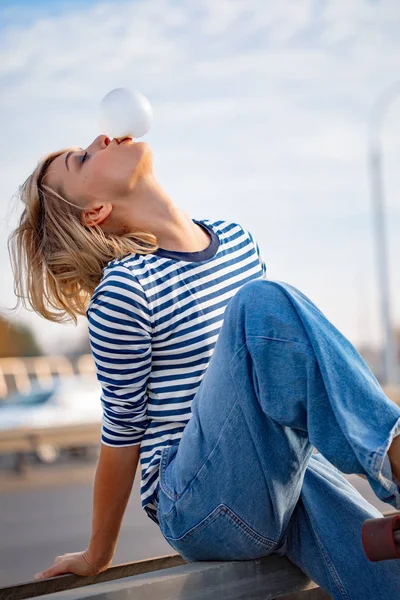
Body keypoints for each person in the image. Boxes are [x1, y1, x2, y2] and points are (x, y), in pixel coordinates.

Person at [9, 134, 400, 599]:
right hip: (197, 505)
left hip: (279, 476)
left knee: (387, 583)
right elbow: (121, 434)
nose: (101, 138)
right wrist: (97, 554)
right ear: (95, 213)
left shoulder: (236, 239)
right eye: (84, 158)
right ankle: (394, 457)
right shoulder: (124, 291)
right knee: (264, 304)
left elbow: (279, 375)